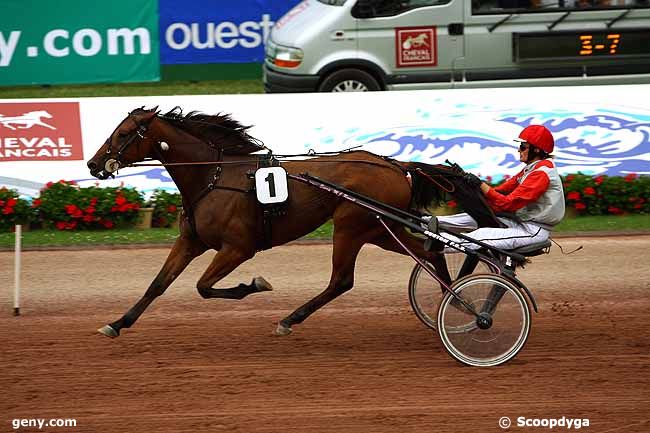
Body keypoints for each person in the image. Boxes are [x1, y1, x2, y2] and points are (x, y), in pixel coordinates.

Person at [431, 124, 565, 253]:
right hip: (521, 223)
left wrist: (480, 185)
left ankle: (437, 244)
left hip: (532, 231)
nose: (519, 150)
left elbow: (507, 204)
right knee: (476, 216)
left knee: (481, 236)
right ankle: (427, 223)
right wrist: (468, 180)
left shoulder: (540, 173)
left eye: (523, 147)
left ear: (536, 150)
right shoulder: (532, 168)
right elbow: (500, 190)